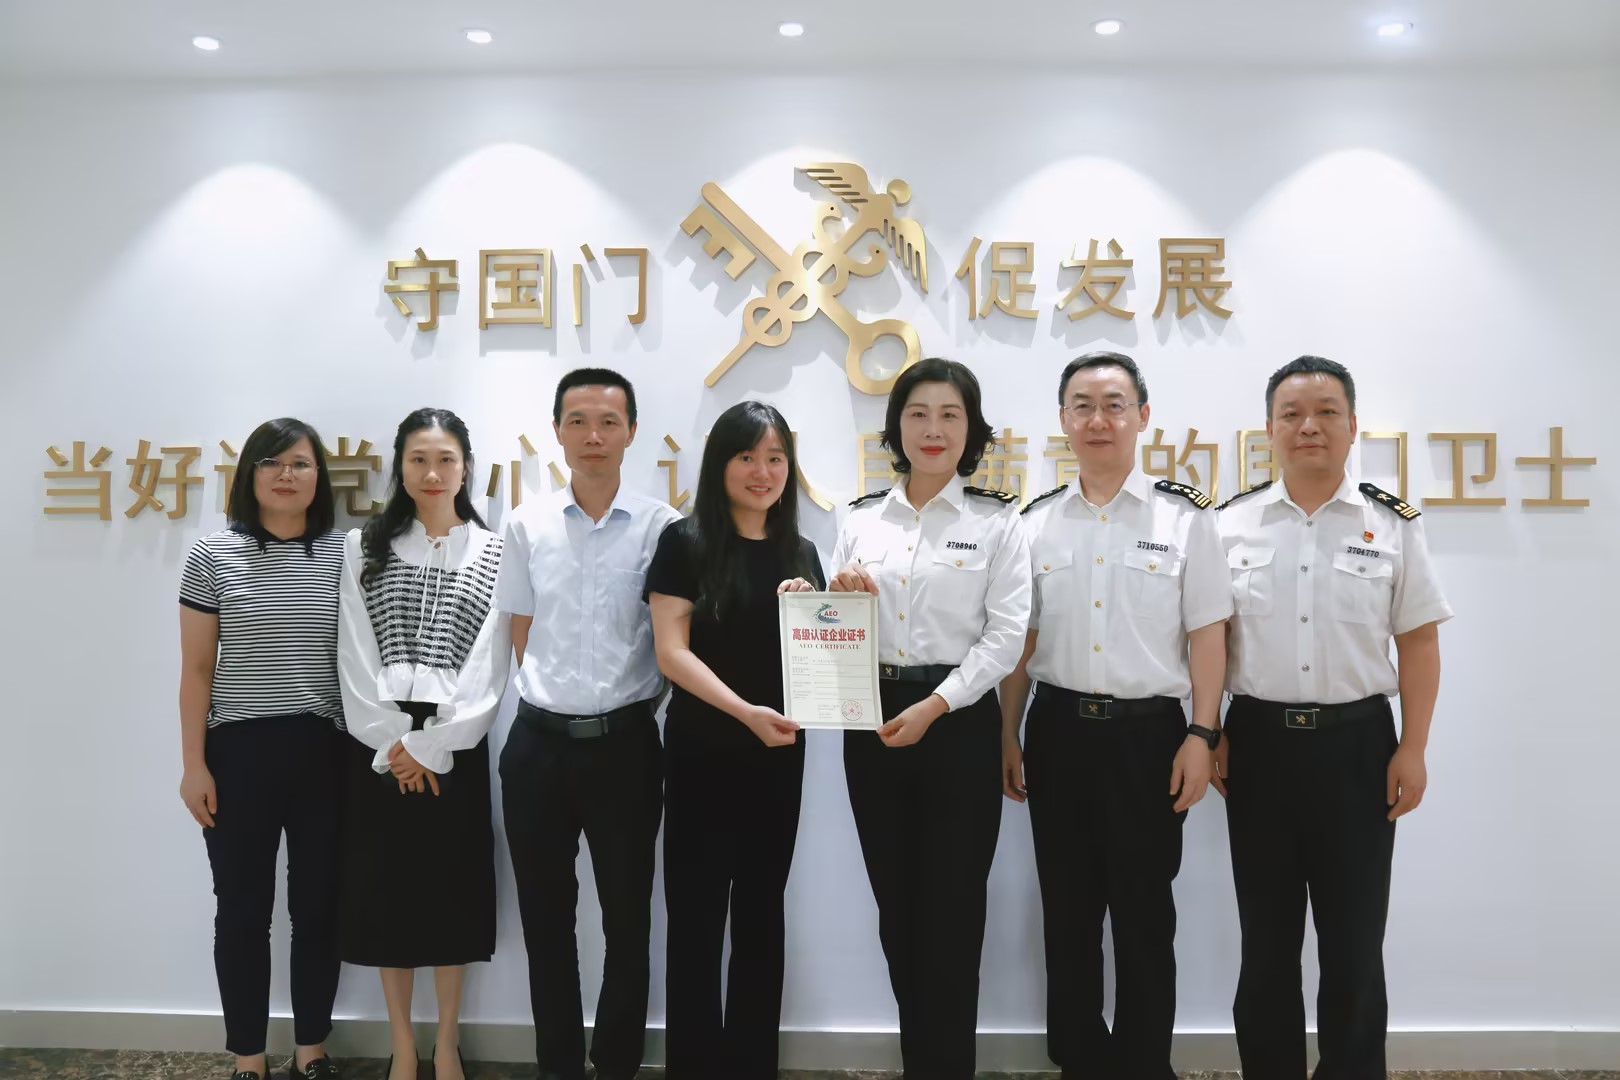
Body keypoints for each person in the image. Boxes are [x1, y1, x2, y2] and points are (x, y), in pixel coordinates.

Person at [1216, 355, 1451, 1080]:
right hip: (1257, 745)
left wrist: (1413, 748)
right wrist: (1209, 729)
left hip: (1358, 748)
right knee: (1267, 941)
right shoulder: (1228, 526)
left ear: (1352, 426)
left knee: (1353, 943)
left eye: (1325, 413)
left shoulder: (1391, 525)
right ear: (1269, 430)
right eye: (1291, 414)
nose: (1308, 426)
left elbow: (1418, 642)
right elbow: (1208, 642)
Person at [999, 352, 1231, 1080]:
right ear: (1063, 419)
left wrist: (1202, 733)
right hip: (1059, 731)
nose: (1098, 419)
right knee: (1067, 913)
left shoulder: (1185, 519)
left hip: (1149, 738)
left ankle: (1143, 1064)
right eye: (1083, 405)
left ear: (1142, 416)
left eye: (1114, 404)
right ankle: (1080, 1060)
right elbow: (1021, 642)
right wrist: (1008, 732)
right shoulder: (1035, 523)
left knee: (1144, 915)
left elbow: (1209, 636)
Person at [827, 357, 1032, 1080]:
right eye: (917, 413)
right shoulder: (859, 520)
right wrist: (834, 597)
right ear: (897, 428)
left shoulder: (997, 522)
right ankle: (924, 1061)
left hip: (957, 724)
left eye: (950, 414)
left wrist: (938, 704)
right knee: (897, 908)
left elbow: (1007, 636)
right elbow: (834, 627)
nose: (933, 428)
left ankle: (948, 1066)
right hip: (873, 724)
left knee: (953, 912)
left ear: (971, 429)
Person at [495, 368, 678, 1080]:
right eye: (577, 421)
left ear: (631, 431)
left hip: (626, 748)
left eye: (608, 422)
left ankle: (619, 1063)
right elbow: (520, 627)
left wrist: (623, 711)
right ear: (557, 430)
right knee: (546, 922)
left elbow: (670, 640)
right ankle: (560, 1065)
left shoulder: (663, 527)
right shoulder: (526, 523)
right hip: (537, 748)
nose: (593, 436)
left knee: (628, 920)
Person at [647, 400, 825, 1080]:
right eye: (747, 456)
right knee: (695, 921)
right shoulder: (685, 542)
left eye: (775, 458)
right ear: (720, 464)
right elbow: (671, 652)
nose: (763, 471)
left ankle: (752, 1065)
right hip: (701, 755)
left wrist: (824, 604)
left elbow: (820, 655)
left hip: (776, 760)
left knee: (760, 917)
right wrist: (744, 711)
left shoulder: (802, 553)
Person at [337, 408, 509, 1080]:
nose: (432, 473)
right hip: (379, 747)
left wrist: (434, 746)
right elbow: (353, 653)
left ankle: (447, 1043)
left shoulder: (495, 550)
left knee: (451, 894)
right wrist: (393, 746)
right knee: (387, 898)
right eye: (418, 459)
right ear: (400, 468)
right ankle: (403, 1045)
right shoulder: (364, 547)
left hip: (456, 741)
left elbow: (490, 663)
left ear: (466, 467)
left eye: (445, 459)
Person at [177, 417, 346, 1080]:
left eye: (299, 463)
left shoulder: (345, 554)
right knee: (243, 912)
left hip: (324, 751)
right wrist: (193, 765)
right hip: (238, 753)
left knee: (318, 908)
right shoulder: (213, 555)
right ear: (249, 475)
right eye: (271, 463)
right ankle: (248, 1056)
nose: (285, 475)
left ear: (318, 477)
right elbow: (197, 670)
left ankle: (312, 1050)